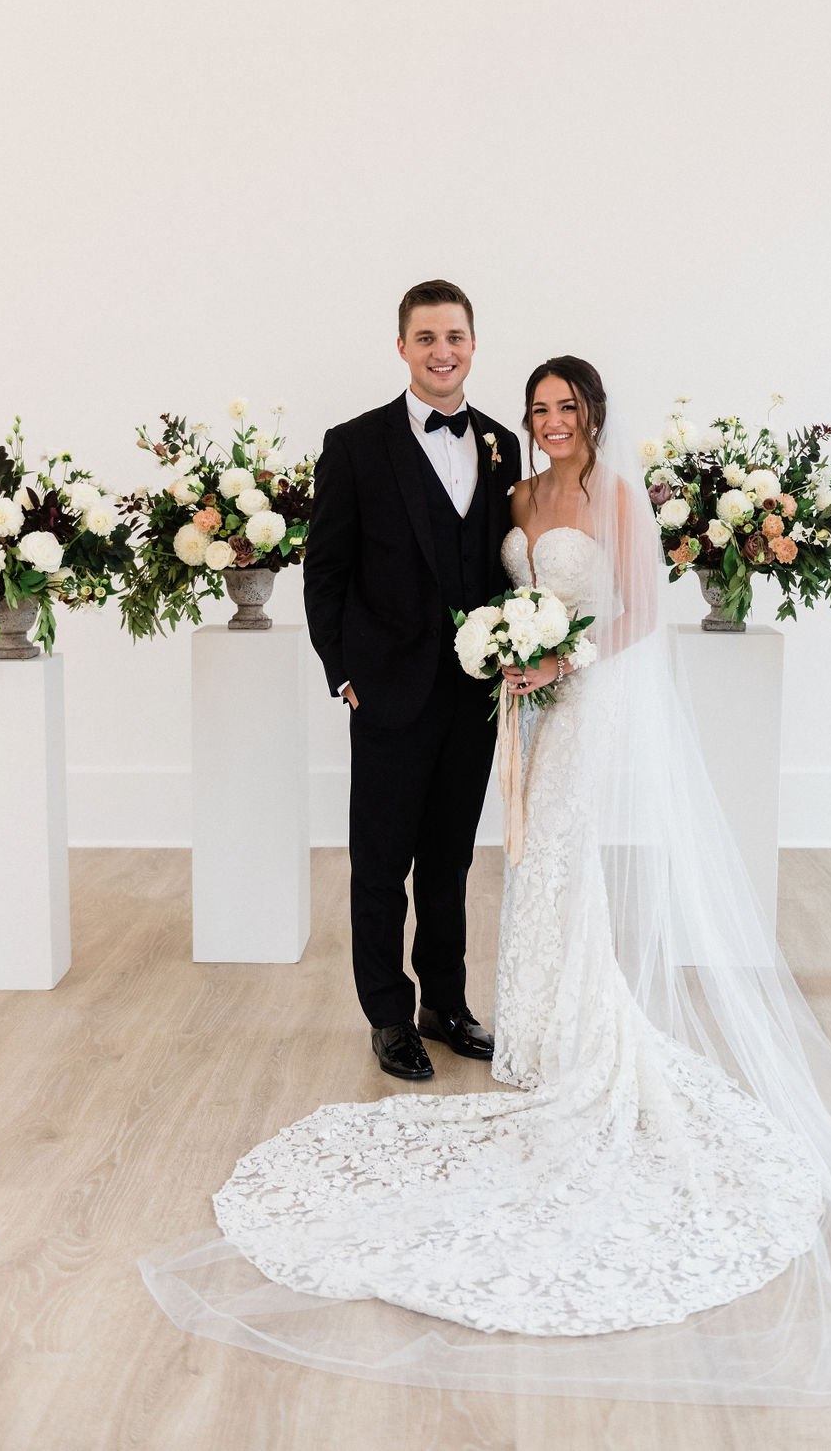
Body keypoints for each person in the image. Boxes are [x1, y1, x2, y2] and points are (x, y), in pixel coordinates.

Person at [142, 358, 831, 1405]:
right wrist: (508, 656)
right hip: (521, 702)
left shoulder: (610, 493)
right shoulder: (512, 486)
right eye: (540, 406)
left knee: (549, 855)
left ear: (592, 414)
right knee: (511, 860)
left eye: (567, 407)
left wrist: (562, 659)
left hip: (584, 701)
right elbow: (471, 578)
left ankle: (569, 1032)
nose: (551, 420)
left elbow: (637, 611)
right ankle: (513, 1023)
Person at [302, 280, 521, 1079]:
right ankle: (388, 1015)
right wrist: (344, 673)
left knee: (451, 861)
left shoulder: (503, 443)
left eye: (455, 336)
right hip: (388, 691)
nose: (442, 351)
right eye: (426, 337)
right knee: (380, 863)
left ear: (473, 344)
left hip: (474, 696)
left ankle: (445, 1004)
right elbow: (323, 573)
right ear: (402, 347)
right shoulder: (355, 444)